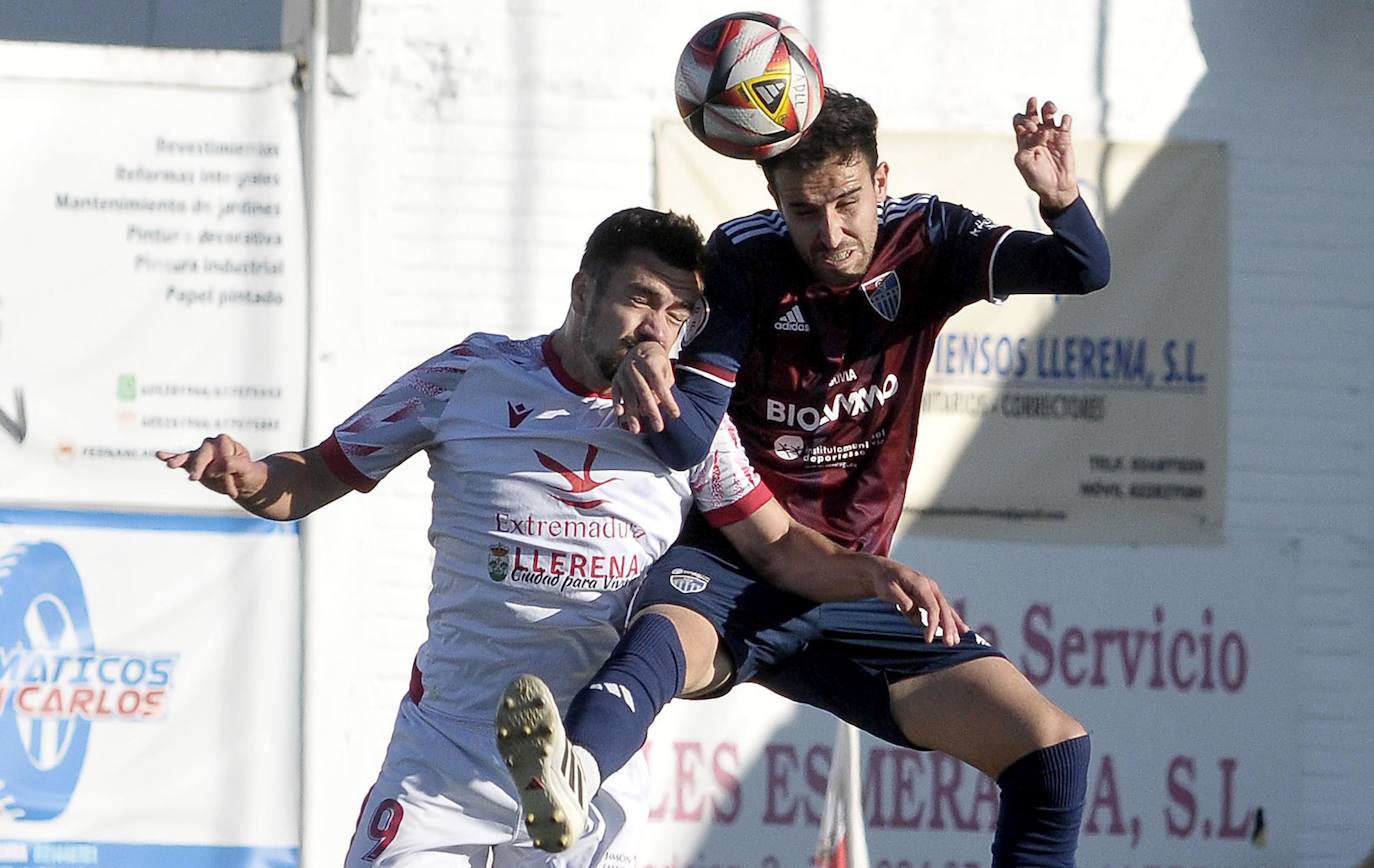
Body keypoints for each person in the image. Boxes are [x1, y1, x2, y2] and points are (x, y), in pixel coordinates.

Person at [158, 206, 967, 867]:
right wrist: (252, 476)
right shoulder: (471, 377)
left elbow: (778, 548)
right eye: (640, 300)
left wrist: (872, 574)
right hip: (445, 759)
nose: (657, 330)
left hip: (588, 782)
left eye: (679, 314)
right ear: (581, 290)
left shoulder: (691, 429)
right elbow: (316, 475)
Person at [500, 93, 1111, 867]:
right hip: (734, 561)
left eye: (848, 203)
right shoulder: (746, 257)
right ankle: (572, 774)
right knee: (663, 637)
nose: (829, 233)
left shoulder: (931, 241)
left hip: (852, 579)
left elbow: (1086, 269)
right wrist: (659, 377)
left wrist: (1060, 200)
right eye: (803, 210)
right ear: (774, 201)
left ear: (881, 179)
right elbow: (694, 440)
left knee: (1052, 751)